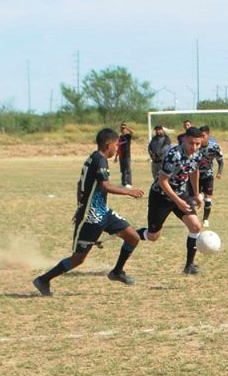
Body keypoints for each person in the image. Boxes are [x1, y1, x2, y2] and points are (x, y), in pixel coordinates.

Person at [32, 128, 144, 296]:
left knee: (133, 237)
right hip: (91, 217)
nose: (117, 149)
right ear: (108, 144)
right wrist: (129, 191)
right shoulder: (100, 160)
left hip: (103, 212)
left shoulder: (93, 157)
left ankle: (117, 272)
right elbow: (104, 186)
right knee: (78, 259)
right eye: (116, 145)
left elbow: (80, 184)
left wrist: (80, 204)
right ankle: (43, 280)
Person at [135, 126, 205, 275]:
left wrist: (197, 194)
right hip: (160, 196)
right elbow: (162, 181)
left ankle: (189, 266)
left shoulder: (197, 154)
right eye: (191, 143)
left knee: (196, 226)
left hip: (180, 193)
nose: (194, 147)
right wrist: (178, 202)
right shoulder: (174, 155)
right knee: (153, 236)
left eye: (198, 144)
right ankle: (127, 233)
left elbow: (194, 171)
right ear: (184, 139)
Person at [197, 125, 224, 227]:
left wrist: (219, 172)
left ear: (208, 136)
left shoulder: (214, 147)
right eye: (200, 136)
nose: (201, 138)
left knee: (207, 200)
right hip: (196, 176)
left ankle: (205, 220)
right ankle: (193, 219)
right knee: (196, 199)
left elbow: (221, 161)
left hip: (208, 175)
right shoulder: (196, 146)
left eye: (203, 136)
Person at [114, 123, 134, 188]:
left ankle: (129, 183)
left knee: (128, 169)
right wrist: (116, 157)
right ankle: (123, 183)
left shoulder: (128, 136)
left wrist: (127, 127)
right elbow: (119, 147)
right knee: (122, 170)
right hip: (121, 156)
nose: (123, 130)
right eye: (121, 128)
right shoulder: (120, 137)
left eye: (124, 128)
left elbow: (133, 132)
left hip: (127, 155)